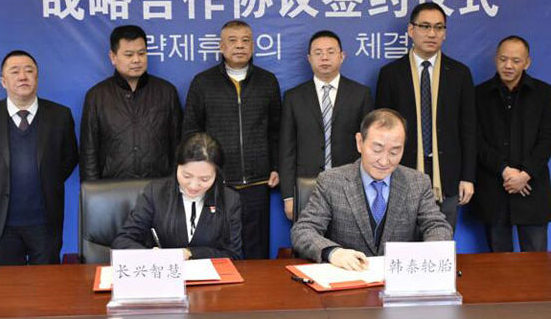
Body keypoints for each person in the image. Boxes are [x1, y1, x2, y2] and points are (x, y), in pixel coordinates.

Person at [291, 109, 452, 270]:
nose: (384, 161)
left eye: (394, 152)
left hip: (398, 277)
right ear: (359, 142)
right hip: (348, 277)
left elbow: (438, 226)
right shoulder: (331, 182)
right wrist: (333, 252)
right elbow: (303, 230)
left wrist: (428, 254)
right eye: (377, 150)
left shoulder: (417, 183)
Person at [183, 20, 281, 259]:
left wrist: (276, 166)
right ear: (221, 46)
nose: (239, 46)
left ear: (253, 46)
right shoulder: (203, 82)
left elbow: (276, 130)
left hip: (258, 183)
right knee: (218, 249)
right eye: (233, 40)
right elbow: (191, 132)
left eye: (245, 40)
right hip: (217, 183)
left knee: (256, 252)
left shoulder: (267, 81)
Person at [375, 2, 476, 230]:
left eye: (439, 27)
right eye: (425, 26)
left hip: (448, 175)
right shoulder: (391, 74)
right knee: (402, 240)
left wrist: (468, 177)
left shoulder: (459, 74)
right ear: (411, 30)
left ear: (445, 33)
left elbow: (469, 129)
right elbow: (382, 130)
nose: (432, 33)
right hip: (402, 171)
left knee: (441, 241)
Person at [0, 50, 78, 265]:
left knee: (47, 282)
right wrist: (0, 180)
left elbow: (69, 158)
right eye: (15, 71)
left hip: (45, 223)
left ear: (37, 77)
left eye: (29, 71)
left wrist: (47, 178)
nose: (23, 76)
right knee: (7, 283)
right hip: (2, 224)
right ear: (3, 81)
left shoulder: (60, 115)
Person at [474, 36, 551, 252]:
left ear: (527, 62)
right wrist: (504, 170)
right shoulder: (479, 94)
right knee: (498, 264)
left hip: (532, 188)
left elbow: (549, 140)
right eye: (503, 59)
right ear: (496, 59)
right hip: (494, 189)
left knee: (536, 262)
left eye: (516, 60)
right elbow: (476, 140)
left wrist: (525, 174)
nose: (508, 65)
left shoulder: (543, 93)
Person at [279, 30, 372, 220]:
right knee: (308, 237)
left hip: (350, 185)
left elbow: (368, 145)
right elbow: (287, 149)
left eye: (330, 52)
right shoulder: (293, 97)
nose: (324, 58)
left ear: (342, 56)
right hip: (306, 187)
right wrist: (289, 196)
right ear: (309, 58)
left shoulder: (360, 94)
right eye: (318, 52)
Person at [112, 133, 242, 259]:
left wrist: (190, 253)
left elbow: (234, 254)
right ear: (177, 167)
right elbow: (123, 241)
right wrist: (151, 256)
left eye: (204, 179)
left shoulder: (229, 200)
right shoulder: (155, 193)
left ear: (217, 175)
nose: (193, 186)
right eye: (187, 176)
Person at [79, 25, 182, 181]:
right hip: (112, 187)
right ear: (113, 57)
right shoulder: (97, 96)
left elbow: (179, 144)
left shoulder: (167, 92)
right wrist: (91, 190)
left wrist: (175, 185)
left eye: (142, 53)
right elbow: (89, 152)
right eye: (129, 55)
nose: (136, 60)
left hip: (159, 186)